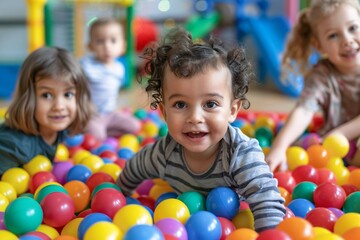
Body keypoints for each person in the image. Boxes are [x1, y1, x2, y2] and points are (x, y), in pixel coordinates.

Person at [116, 27, 285, 232]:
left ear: (232, 110)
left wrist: (268, 235)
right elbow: (135, 168)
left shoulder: (240, 154)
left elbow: (267, 202)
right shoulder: (164, 153)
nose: (195, 118)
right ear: (164, 112)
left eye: (210, 104)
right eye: (180, 105)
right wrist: (119, 194)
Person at [266, 0, 360, 172]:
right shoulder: (322, 75)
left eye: (353, 28)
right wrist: (280, 146)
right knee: (302, 149)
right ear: (319, 45)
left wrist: (339, 134)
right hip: (333, 148)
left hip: (338, 138)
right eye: (333, 35)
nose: (347, 40)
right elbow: (304, 110)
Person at [0, 47, 94, 175]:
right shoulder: (16, 147)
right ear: (28, 98)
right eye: (47, 95)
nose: (59, 106)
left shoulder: (59, 128)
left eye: (68, 94)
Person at [80, 17, 141, 141]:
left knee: (135, 126)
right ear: (90, 46)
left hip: (110, 114)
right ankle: (96, 130)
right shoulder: (86, 65)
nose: (107, 46)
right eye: (100, 41)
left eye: (113, 41)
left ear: (123, 46)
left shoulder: (119, 68)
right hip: (92, 115)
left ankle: (106, 130)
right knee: (97, 136)